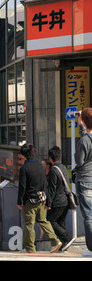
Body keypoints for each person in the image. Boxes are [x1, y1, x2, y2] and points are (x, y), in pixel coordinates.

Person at [17, 143, 62, 253]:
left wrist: (19, 201)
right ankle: (55, 241)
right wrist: (47, 201)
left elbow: (22, 187)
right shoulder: (41, 166)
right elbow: (44, 183)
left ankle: (30, 248)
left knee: (29, 224)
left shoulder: (24, 168)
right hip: (41, 199)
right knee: (43, 220)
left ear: (24, 155)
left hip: (30, 200)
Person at [46, 146, 75, 252]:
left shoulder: (53, 170)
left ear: (50, 158)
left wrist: (48, 203)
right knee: (61, 222)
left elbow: (52, 190)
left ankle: (67, 237)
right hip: (65, 201)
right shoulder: (63, 167)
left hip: (58, 202)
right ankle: (64, 244)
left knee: (49, 220)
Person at [74, 108, 92, 257]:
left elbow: (79, 161)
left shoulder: (84, 140)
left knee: (89, 216)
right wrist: (82, 124)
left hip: (86, 180)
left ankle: (91, 248)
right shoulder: (87, 138)